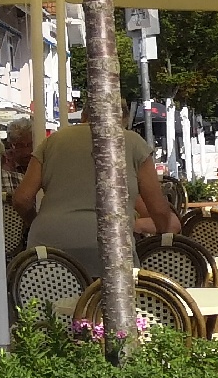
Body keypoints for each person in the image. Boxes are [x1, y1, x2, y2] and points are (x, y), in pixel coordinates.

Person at [11, 99, 184, 278]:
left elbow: (21, 198)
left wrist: (36, 222)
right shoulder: (131, 141)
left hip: (47, 245)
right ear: (121, 120)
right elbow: (157, 207)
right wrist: (163, 234)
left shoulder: (52, 141)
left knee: (48, 304)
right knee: (113, 304)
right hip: (109, 244)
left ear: (84, 116)